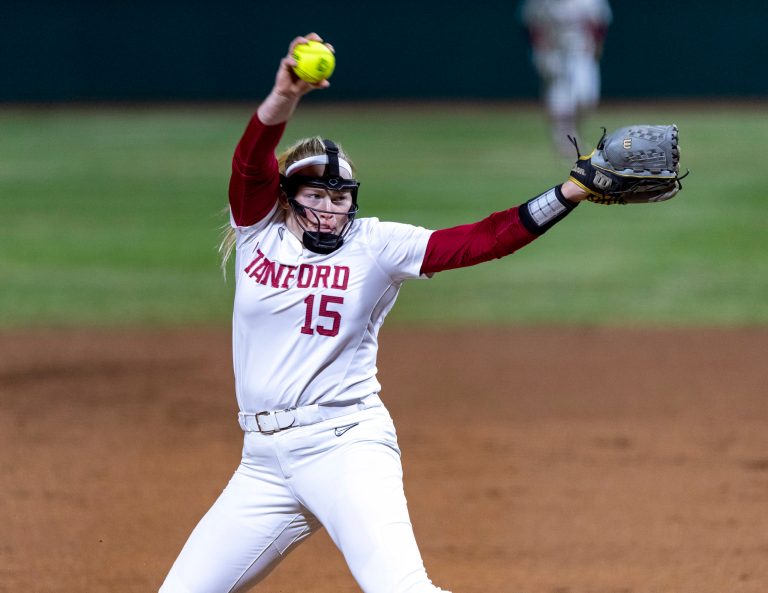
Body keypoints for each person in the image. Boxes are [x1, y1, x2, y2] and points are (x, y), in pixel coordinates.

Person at [158, 32, 592, 593]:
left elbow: (480, 240)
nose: (328, 207)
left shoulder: (376, 245)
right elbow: (249, 161)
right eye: (315, 194)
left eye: (339, 197)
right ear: (286, 196)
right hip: (262, 465)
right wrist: (283, 95)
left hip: (345, 446)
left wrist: (567, 193)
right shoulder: (256, 234)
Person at [521, 0, 612, 156]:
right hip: (553, 53)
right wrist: (540, 50)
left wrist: (597, 47)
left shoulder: (589, 3)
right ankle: (564, 140)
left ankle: (573, 131)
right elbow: (531, 26)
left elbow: (600, 25)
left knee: (586, 97)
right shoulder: (540, 3)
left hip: (581, 52)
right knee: (560, 98)